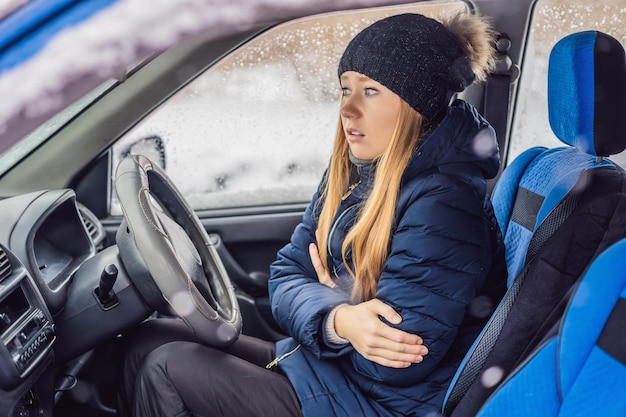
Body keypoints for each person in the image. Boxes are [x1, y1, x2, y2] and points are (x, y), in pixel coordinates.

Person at [117, 11, 507, 417]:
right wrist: (339, 318)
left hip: (380, 404)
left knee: (166, 368)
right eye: (345, 89)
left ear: (416, 103)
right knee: (147, 341)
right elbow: (284, 274)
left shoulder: (445, 203)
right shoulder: (356, 168)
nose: (348, 109)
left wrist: (335, 308)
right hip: (331, 372)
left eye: (370, 91)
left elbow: (389, 362)